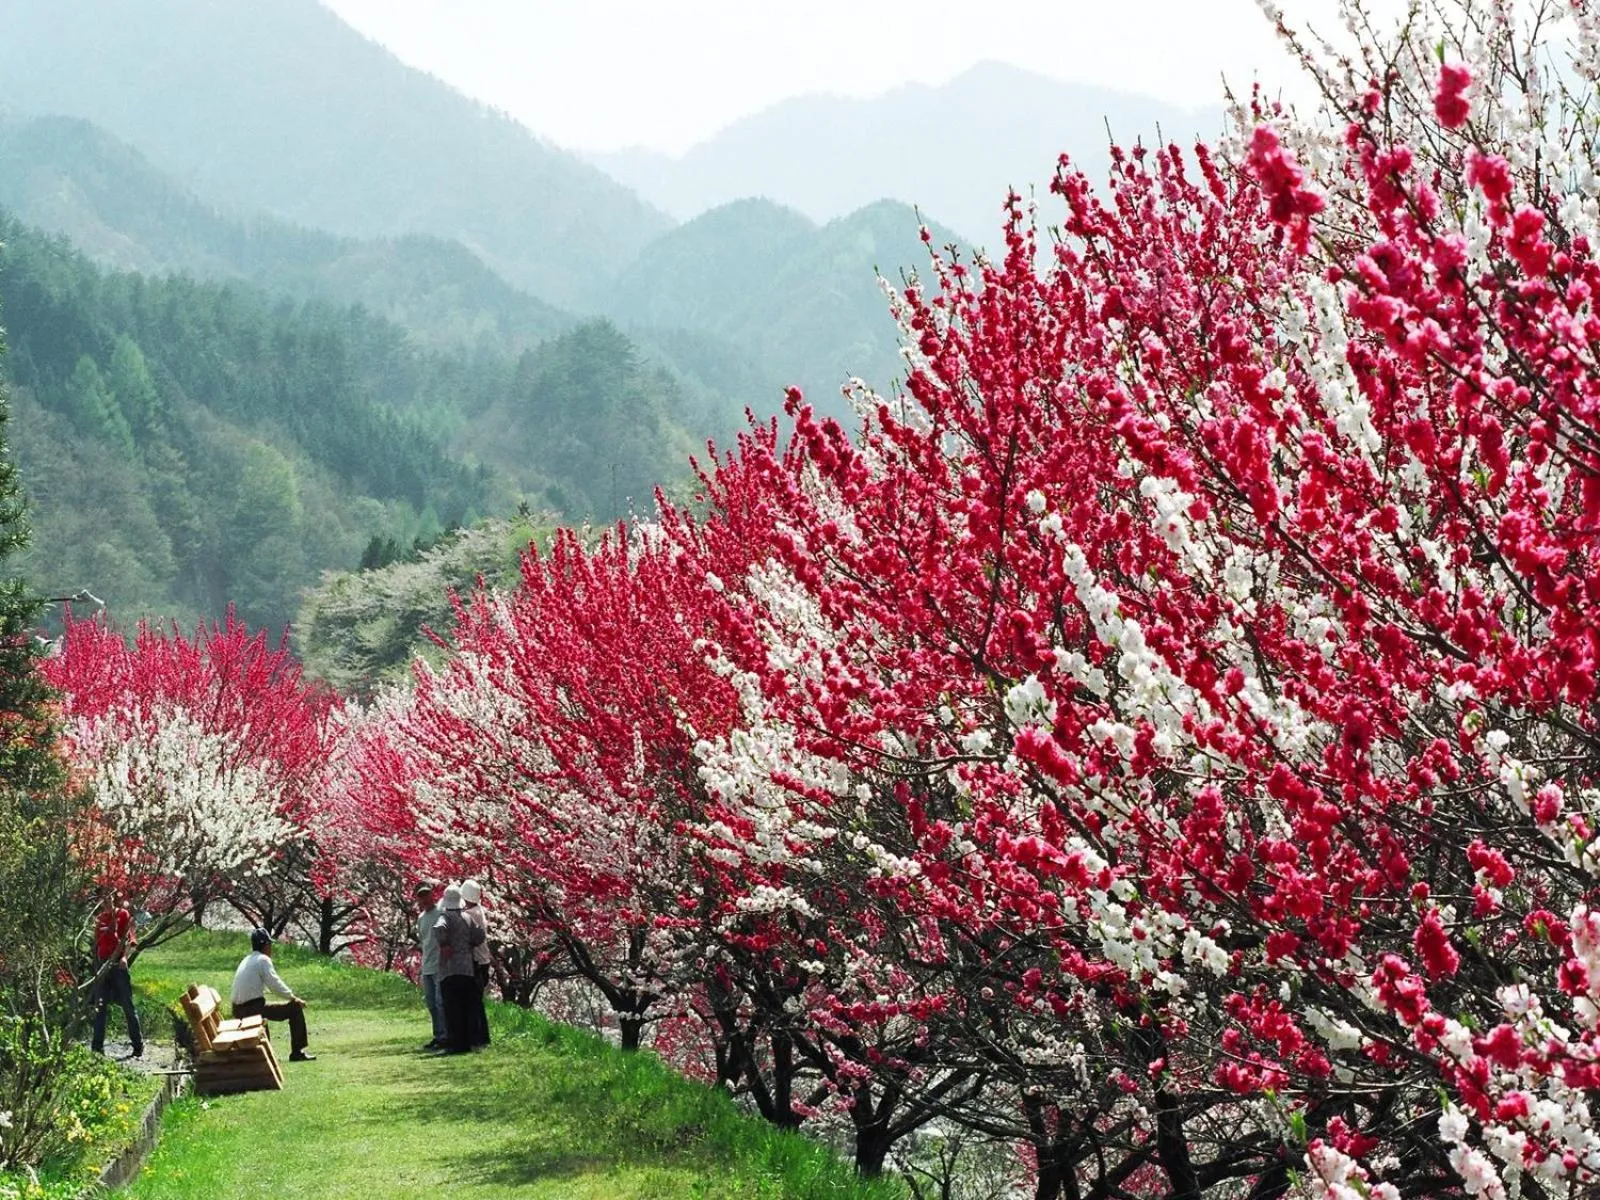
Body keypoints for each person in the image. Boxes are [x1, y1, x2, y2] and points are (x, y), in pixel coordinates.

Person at [230, 928, 315, 1062]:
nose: (271, 948)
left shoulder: (248, 959)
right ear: (265, 945)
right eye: (270, 945)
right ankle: (297, 1052)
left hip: (239, 1009)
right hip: (252, 1009)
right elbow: (275, 984)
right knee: (295, 1008)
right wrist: (293, 998)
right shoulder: (262, 959)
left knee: (271, 1008)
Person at [90, 888, 143, 1058]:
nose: (106, 902)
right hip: (103, 966)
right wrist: (97, 967)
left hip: (118, 964)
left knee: (127, 1005)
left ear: (114, 899)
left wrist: (124, 958)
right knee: (100, 1006)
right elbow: (97, 944)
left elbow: (130, 939)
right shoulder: (99, 920)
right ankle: (97, 1050)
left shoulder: (123, 915)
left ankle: (138, 1045)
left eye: (108, 899)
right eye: (102, 900)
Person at [431, 885, 483, 1054]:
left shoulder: (445, 916)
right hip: (467, 968)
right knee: (466, 1006)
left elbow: (439, 928)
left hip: (449, 969)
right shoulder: (468, 918)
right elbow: (480, 935)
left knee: (452, 1008)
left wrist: (445, 944)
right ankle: (467, 1043)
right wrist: (469, 944)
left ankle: (455, 1043)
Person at [414, 881, 445, 1050]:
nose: (424, 899)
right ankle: (438, 1035)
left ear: (432, 895)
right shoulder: (421, 919)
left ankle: (446, 1036)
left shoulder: (441, 914)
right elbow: (423, 941)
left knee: (441, 1002)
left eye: (426, 895)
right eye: (421, 896)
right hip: (427, 965)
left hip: (440, 965)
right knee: (431, 1003)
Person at [460, 879, 491, 1048]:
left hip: (477, 963)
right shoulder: (477, 910)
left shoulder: (472, 915)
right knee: (476, 1001)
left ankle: (477, 1038)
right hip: (482, 961)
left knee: (474, 1001)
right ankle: (480, 1037)